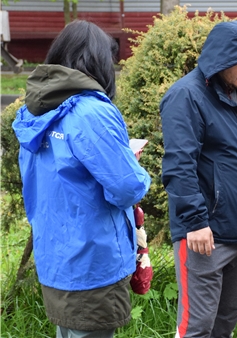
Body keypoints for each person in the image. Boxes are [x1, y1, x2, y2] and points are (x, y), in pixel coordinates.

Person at [12, 20, 151, 338]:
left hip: (55, 259)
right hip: (93, 262)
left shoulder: (35, 110)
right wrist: (133, 166)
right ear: (99, 63)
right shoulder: (91, 111)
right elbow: (127, 186)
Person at [159, 20, 237, 338]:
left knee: (225, 323)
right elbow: (178, 166)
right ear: (220, 59)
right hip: (203, 236)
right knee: (197, 326)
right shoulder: (186, 96)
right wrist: (195, 222)